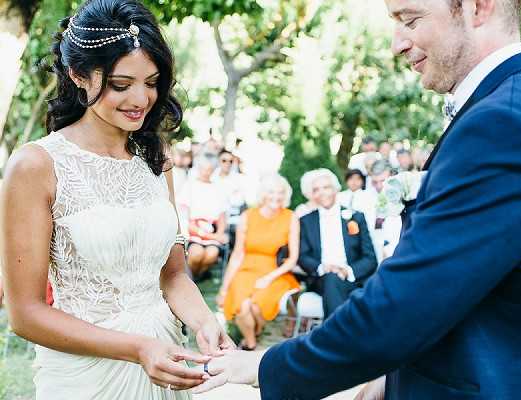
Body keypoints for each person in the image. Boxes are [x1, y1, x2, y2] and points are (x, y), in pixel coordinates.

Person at [192, 0, 521, 399]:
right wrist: (393, 379)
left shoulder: (503, 124)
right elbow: (472, 285)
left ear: (477, 7)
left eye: (409, 19)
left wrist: (266, 366)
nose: (396, 44)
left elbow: (410, 302)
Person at [0, 1, 234, 398]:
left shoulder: (156, 157)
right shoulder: (36, 165)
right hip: (88, 375)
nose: (142, 99)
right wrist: (138, 349)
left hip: (165, 358)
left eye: (153, 81)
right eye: (121, 85)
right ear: (78, 75)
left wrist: (203, 322)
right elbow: (26, 315)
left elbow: (173, 275)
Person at [218, 174, 300, 351]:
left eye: (281, 192)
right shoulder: (248, 216)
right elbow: (238, 254)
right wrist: (224, 288)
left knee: (256, 306)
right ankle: (251, 344)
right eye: (271, 192)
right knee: (242, 305)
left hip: (275, 271)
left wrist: (269, 278)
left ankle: (253, 334)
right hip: (246, 268)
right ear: (263, 194)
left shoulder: (290, 217)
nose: (276, 197)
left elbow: (293, 259)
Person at [297, 169, 377, 318]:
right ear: (311, 194)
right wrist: (323, 268)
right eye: (316, 189)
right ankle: (340, 336)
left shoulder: (355, 217)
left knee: (336, 284)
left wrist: (347, 271)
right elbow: (303, 256)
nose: (322, 193)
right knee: (331, 280)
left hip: (354, 278)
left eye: (326, 187)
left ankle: (332, 336)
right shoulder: (305, 221)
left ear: (336, 189)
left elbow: (370, 258)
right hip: (321, 279)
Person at [178, 156, 229, 278]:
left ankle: (198, 277)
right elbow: (185, 218)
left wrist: (219, 234)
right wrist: (211, 236)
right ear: (198, 168)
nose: (207, 172)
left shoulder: (218, 188)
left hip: (212, 230)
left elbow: (222, 215)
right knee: (196, 254)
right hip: (194, 232)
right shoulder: (189, 186)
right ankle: (188, 280)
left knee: (212, 254)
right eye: (203, 169)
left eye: (210, 169)